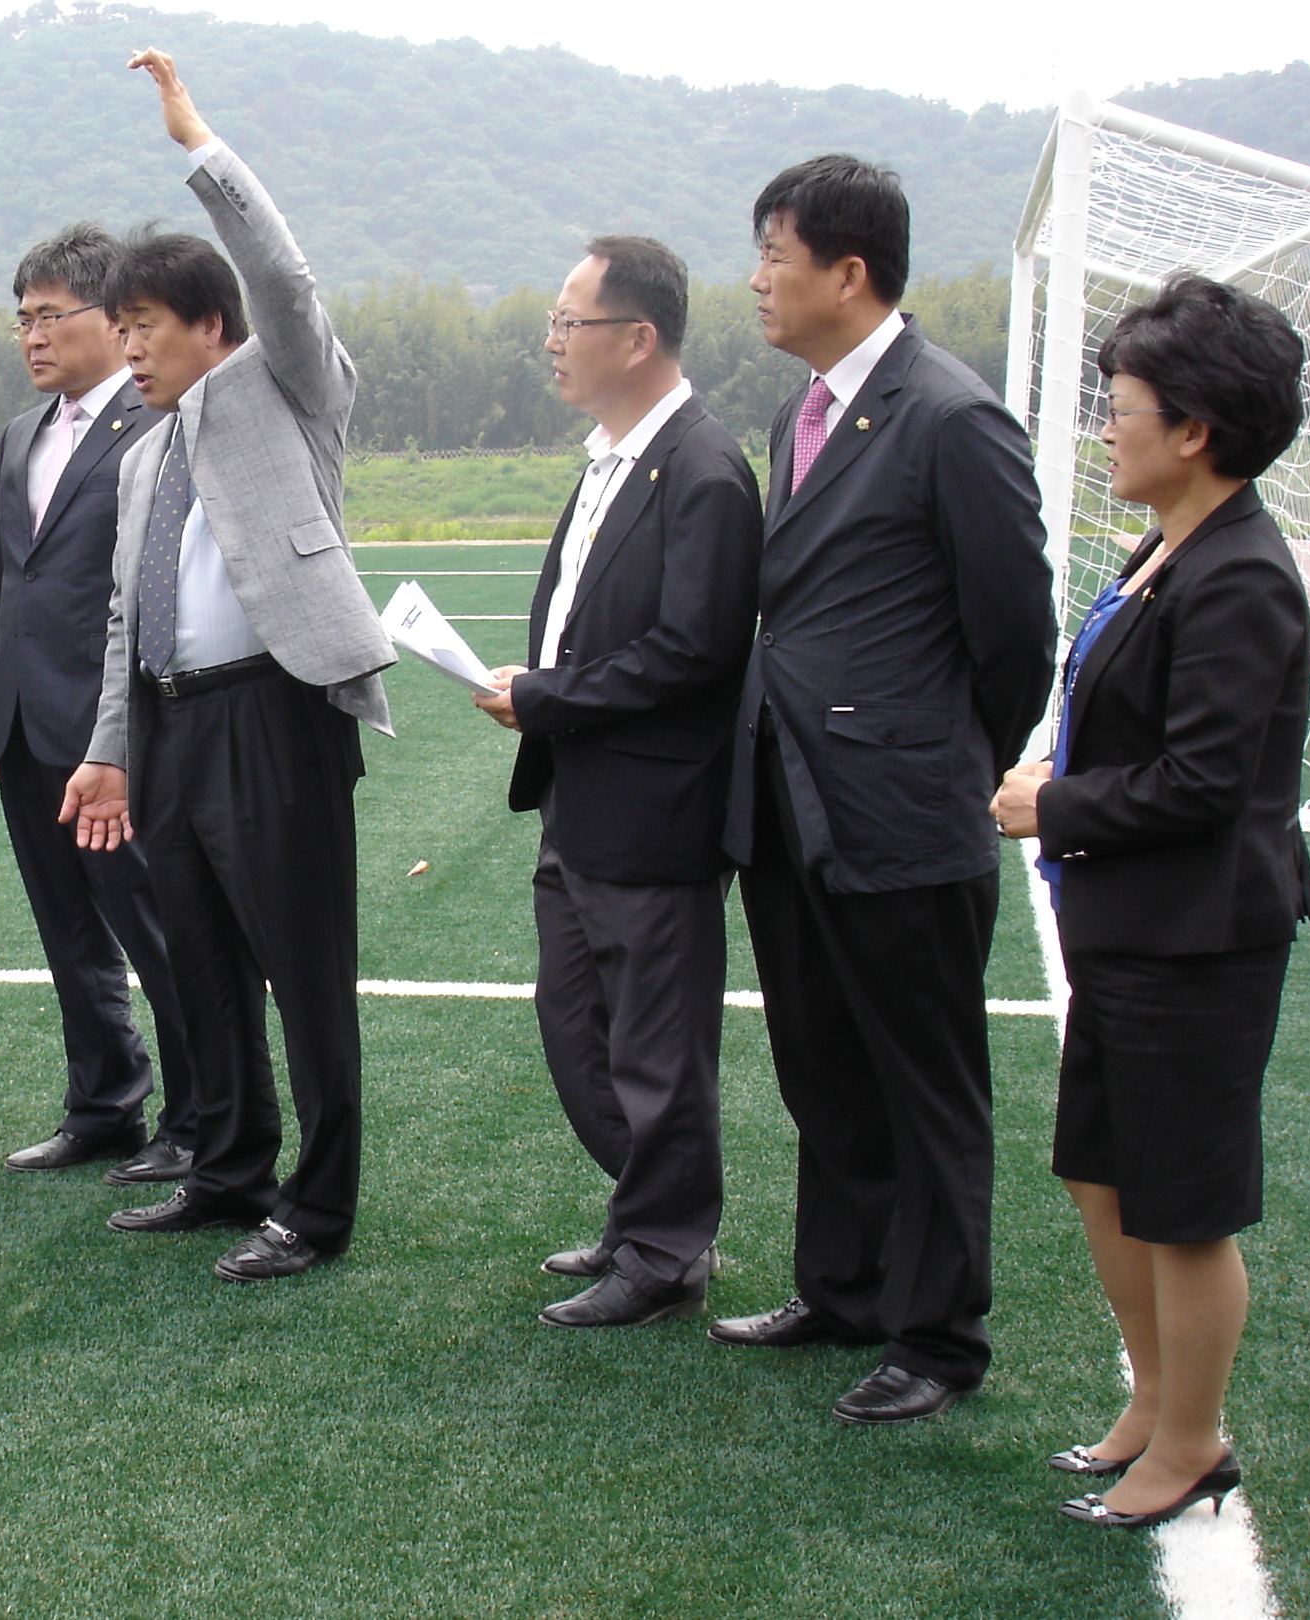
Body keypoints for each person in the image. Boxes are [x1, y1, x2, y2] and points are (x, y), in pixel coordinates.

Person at [714, 155, 1056, 1422]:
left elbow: (1015, 636)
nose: (757, 281)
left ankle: (938, 1335)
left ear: (848, 273)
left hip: (900, 812)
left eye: (776, 255)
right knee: (821, 1063)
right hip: (791, 799)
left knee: (925, 1080)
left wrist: (943, 761)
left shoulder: (951, 417)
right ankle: (843, 1287)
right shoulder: (801, 411)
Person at [62, 50, 395, 1281]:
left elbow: (284, 277)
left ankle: (319, 1209)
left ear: (209, 326)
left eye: (143, 328)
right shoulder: (143, 454)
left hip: (277, 716)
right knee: (199, 966)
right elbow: (120, 621)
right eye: (121, 330)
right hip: (174, 729)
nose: (129, 351)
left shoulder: (289, 385)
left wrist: (196, 140)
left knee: (303, 974)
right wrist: (108, 752)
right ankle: (229, 1170)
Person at [991, 275, 1310, 1527]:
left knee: (1183, 1208)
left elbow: (1205, 784)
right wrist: (1056, 773)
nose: (1105, 428)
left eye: (1121, 407)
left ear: (1195, 428)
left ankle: (1192, 1442)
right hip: (1125, 928)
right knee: (1104, 1177)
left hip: (1199, 939)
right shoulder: (1165, 546)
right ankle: (1152, 1408)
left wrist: (1050, 807)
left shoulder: (1242, 577)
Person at [472, 238, 761, 1328]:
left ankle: (667, 1248)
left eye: (568, 322)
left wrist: (548, 696)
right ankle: (645, 1208)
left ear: (637, 339)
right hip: (582, 799)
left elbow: (695, 652)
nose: (551, 341)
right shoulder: (612, 458)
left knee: (654, 1041)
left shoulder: (701, 467)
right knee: (580, 1026)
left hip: (655, 811)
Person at [0, 224, 195, 1184]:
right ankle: (104, 1102)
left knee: (156, 929)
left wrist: (136, 733)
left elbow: (159, 592)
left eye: (48, 317)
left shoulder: (161, 425)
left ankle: (198, 1116)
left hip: (114, 736)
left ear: (113, 320)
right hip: (28, 732)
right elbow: (8, 585)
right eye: (21, 319)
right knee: (69, 933)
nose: (30, 336)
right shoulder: (22, 433)